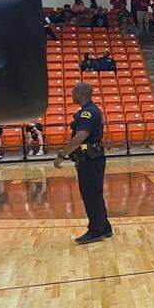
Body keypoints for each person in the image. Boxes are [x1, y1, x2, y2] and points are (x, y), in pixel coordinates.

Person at [52, 83, 111, 244]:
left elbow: (80, 137)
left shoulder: (88, 112)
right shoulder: (87, 111)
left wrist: (61, 155)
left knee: (90, 194)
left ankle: (95, 231)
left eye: (74, 91)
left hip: (90, 160)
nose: (71, 94)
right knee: (95, 193)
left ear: (81, 93)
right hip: (90, 158)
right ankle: (104, 226)